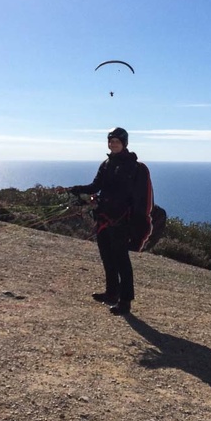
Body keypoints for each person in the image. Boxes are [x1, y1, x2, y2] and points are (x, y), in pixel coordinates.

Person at [68, 127, 153, 316]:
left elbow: (142, 200)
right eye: (110, 141)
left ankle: (125, 301)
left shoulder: (137, 168)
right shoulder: (106, 164)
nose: (113, 144)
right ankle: (111, 293)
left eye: (116, 141)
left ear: (124, 143)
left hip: (123, 222)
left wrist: (139, 226)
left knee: (122, 260)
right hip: (104, 218)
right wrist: (76, 189)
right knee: (107, 257)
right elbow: (96, 186)